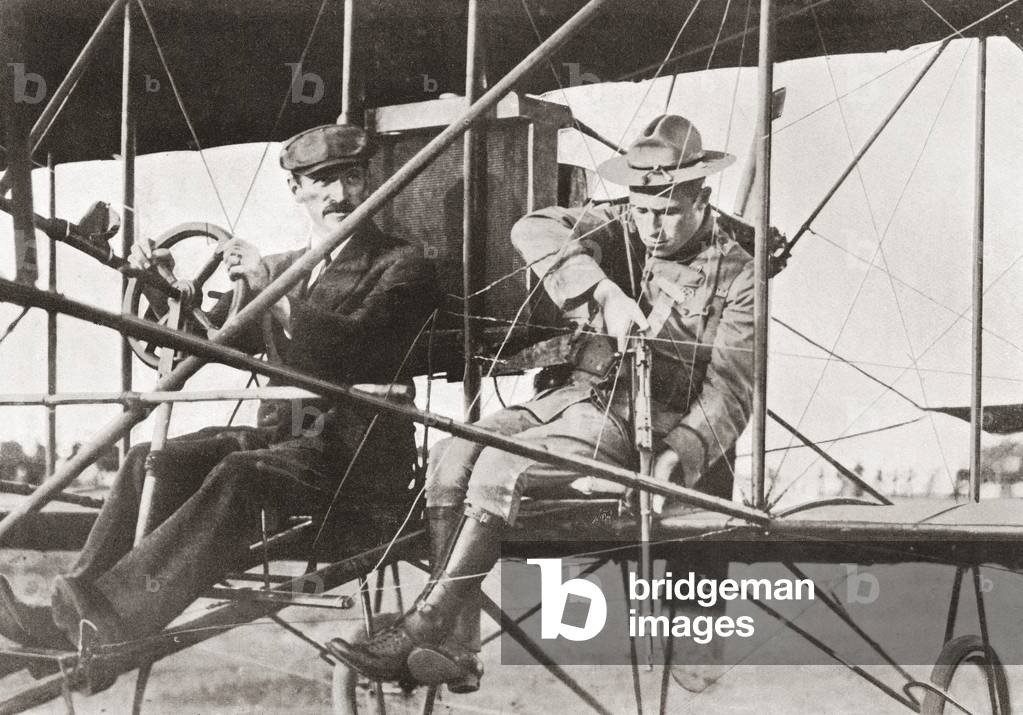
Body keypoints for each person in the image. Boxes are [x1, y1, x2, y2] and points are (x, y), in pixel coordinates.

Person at [0, 123, 440, 689]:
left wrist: (272, 295)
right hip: (287, 444)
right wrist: (160, 284)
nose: (339, 195)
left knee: (241, 472)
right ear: (296, 189)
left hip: (356, 456)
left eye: (351, 178)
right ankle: (69, 615)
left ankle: (103, 629)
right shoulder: (282, 267)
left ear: (368, 182)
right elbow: (195, 340)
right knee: (150, 460)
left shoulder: (404, 265)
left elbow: (359, 349)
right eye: (322, 181)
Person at [327, 113, 755, 689]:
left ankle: (424, 626)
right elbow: (533, 227)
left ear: (701, 198)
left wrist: (676, 455)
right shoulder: (622, 227)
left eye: (668, 211)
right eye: (642, 209)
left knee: (500, 468)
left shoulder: (739, 276)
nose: (652, 226)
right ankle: (458, 648)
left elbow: (730, 391)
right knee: (451, 457)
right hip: (571, 398)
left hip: (640, 422)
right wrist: (604, 290)